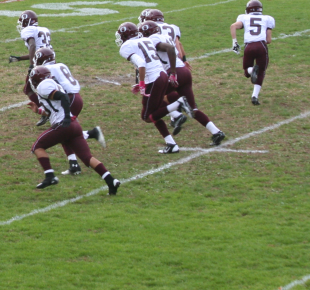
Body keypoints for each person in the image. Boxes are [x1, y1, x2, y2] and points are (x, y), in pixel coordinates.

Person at [27, 65, 119, 193]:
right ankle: (111, 181)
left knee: (37, 147)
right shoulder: (52, 83)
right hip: (74, 125)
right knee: (87, 158)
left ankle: (50, 176)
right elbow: (53, 111)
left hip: (64, 125)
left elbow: (63, 98)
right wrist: (38, 111)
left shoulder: (44, 85)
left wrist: (65, 118)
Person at [137, 18, 225, 146]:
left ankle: (177, 113)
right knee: (192, 108)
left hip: (175, 72)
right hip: (184, 72)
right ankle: (216, 132)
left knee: (153, 99)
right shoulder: (165, 36)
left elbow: (171, 49)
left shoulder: (153, 39)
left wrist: (172, 72)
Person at [115, 22, 191, 154]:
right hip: (161, 75)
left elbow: (141, 63)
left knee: (147, 117)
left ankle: (178, 104)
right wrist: (140, 82)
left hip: (154, 79)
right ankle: (171, 144)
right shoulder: (145, 39)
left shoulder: (126, 47)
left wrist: (143, 83)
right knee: (156, 110)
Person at [230, 0, 274, 106]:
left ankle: (251, 70)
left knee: (246, 71)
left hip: (248, 46)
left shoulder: (244, 17)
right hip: (261, 46)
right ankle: (255, 96)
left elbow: (233, 26)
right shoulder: (268, 18)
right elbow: (268, 40)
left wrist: (234, 42)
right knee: (261, 71)